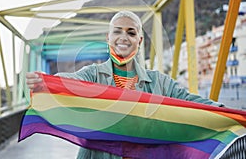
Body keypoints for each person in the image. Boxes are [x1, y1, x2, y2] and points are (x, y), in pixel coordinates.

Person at [26, 10, 223, 159]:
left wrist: (225, 112)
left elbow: (190, 102)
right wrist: (45, 81)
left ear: (140, 40)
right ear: (108, 38)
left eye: (131, 32)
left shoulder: (159, 82)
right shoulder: (93, 75)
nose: (123, 37)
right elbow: (68, 82)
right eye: (117, 32)